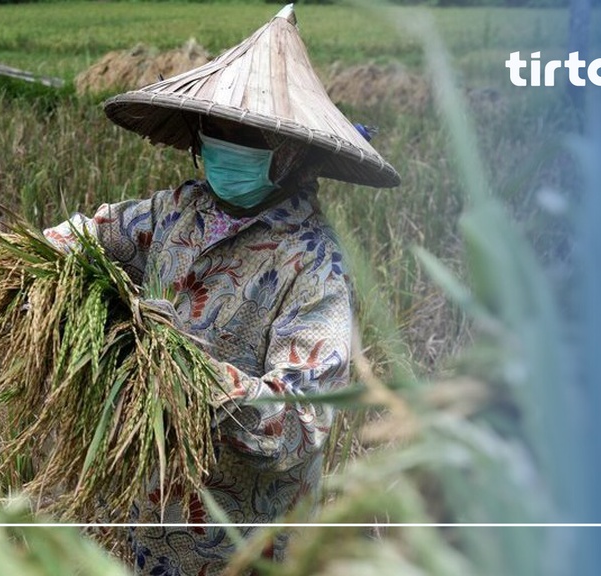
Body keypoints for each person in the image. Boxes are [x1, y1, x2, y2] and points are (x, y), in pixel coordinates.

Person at [43, 5, 399, 574]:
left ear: (291, 152)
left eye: (247, 135)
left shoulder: (316, 269)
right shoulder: (177, 212)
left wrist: (175, 363)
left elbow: (296, 424)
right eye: (218, 129)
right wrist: (32, 280)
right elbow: (92, 235)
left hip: (248, 543)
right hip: (158, 519)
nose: (227, 143)